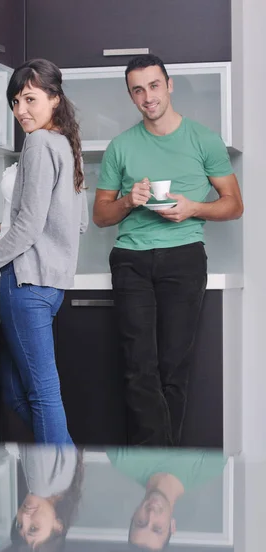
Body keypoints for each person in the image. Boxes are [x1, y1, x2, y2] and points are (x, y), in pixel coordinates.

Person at [93, 54, 243, 446]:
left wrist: (194, 208)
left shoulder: (203, 139)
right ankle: (161, 481)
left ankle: (157, 482)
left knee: (173, 368)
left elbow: (234, 204)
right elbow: (101, 216)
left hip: (184, 257)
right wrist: (128, 200)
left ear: (169, 85)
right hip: (132, 260)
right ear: (131, 96)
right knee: (138, 369)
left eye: (154, 86)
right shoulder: (120, 146)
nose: (148, 97)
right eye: (138, 90)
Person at [0, 58, 88, 444]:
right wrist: (10, 228)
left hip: (26, 285)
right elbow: (77, 223)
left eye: (30, 99)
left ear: (54, 99)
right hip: (51, 286)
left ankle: (58, 488)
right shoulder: (67, 144)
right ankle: (65, 466)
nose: (20, 111)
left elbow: (29, 226)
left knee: (43, 395)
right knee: (14, 392)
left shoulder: (40, 142)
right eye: (15, 102)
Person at [107, 446, 227, 552]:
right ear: (172, 526)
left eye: (140, 522)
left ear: (134, 514)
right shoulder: (210, 466)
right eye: (157, 528)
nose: (151, 514)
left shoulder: (121, 458)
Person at [9, 443, 84, 552]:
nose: (25, 517)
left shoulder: (62, 483)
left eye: (19, 525)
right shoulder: (40, 484)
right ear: (58, 526)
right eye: (33, 528)